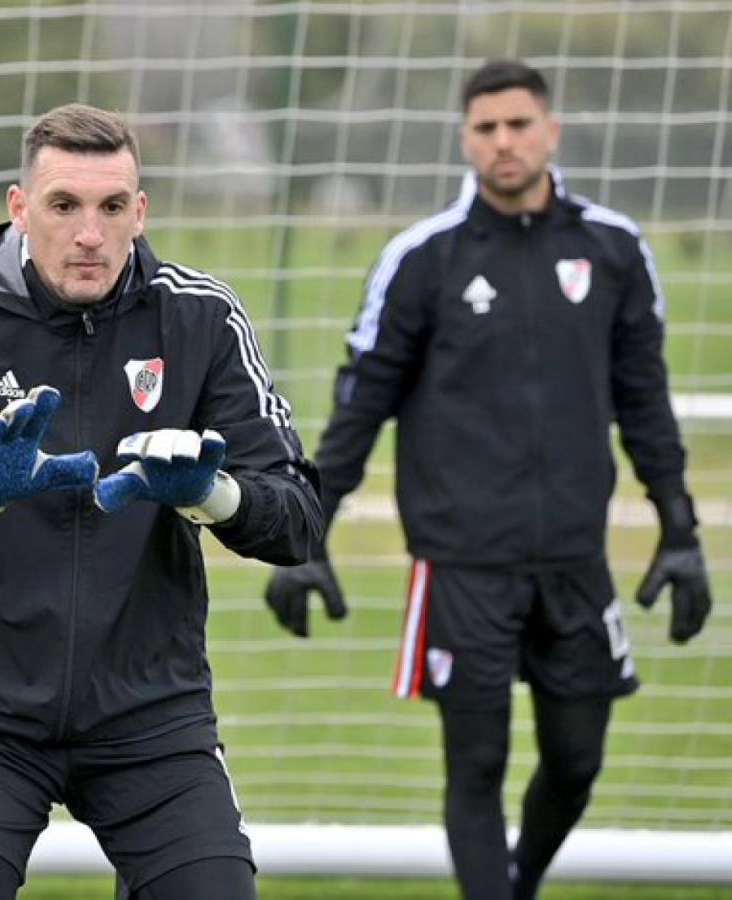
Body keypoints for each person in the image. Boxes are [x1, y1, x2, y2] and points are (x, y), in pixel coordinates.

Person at [0, 103, 323, 900]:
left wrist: (211, 493)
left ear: (140, 212)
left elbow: (296, 516)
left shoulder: (199, 315)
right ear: (19, 207)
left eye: (109, 208)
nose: (88, 233)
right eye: (63, 205)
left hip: (150, 713)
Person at [263, 60, 713, 900]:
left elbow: (644, 403)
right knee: (475, 765)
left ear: (549, 130)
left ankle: (515, 884)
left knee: (577, 760)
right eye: (484, 128)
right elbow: (362, 406)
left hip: (576, 559)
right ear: (465, 138)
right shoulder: (421, 259)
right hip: (461, 562)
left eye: (517, 124)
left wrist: (679, 531)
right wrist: (304, 534)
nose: (502, 142)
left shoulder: (611, 249)